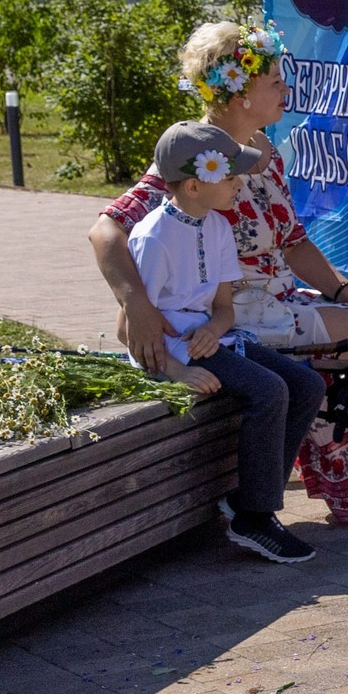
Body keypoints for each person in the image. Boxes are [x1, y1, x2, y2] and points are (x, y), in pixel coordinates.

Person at [88, 23, 348, 517]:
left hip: (277, 302)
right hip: (233, 316)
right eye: (274, 81)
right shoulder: (201, 157)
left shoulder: (264, 153)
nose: (286, 90)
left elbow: (293, 242)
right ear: (240, 93)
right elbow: (106, 231)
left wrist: (345, 292)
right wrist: (136, 305)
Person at [129, 122, 325, 565]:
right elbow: (134, 324)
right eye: (231, 176)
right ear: (194, 185)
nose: (239, 184)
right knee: (269, 391)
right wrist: (177, 370)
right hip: (169, 349)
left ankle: (246, 500)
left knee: (307, 385)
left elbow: (223, 308)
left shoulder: (216, 225)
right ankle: (255, 517)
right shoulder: (153, 236)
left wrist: (214, 331)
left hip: (210, 338)